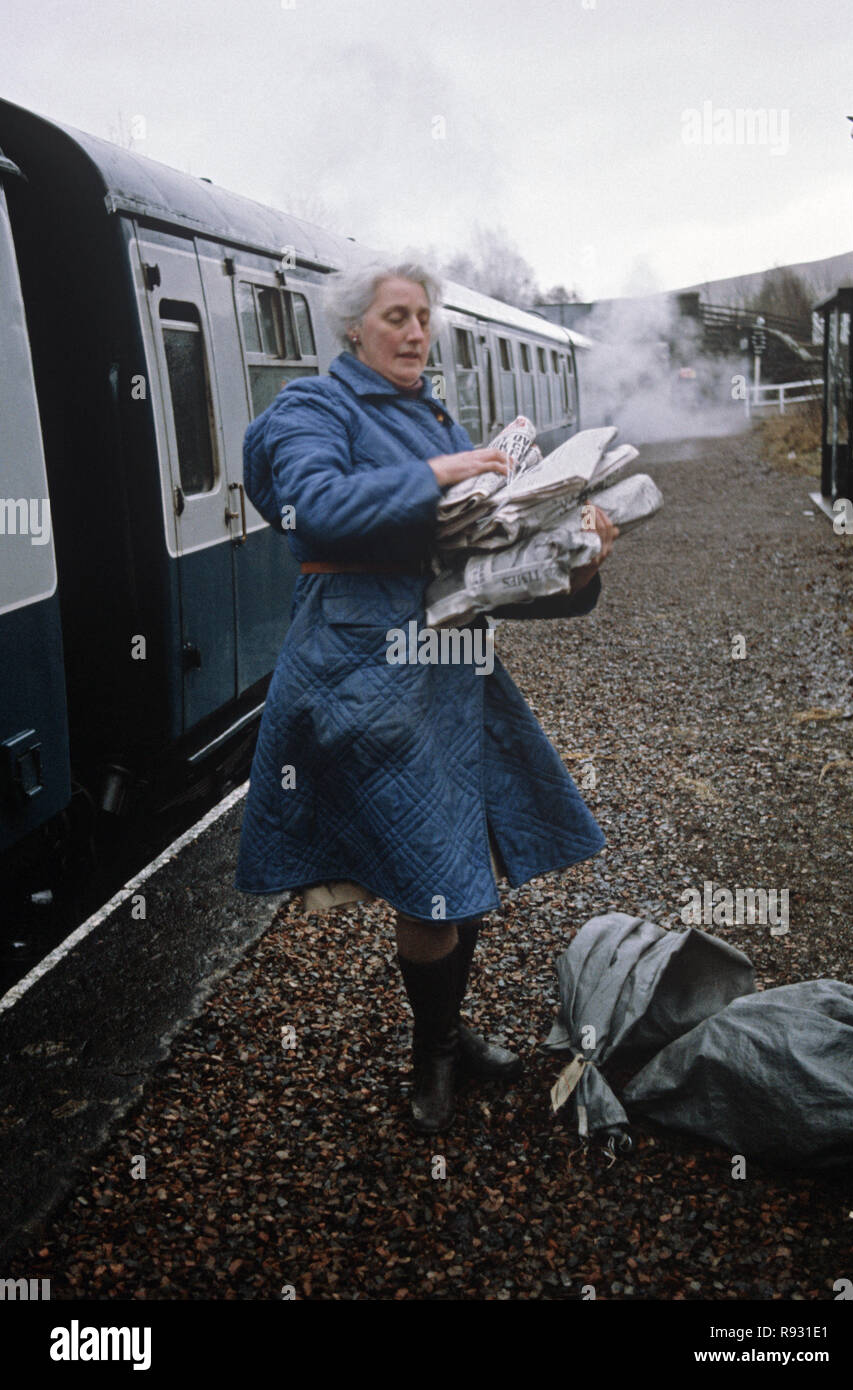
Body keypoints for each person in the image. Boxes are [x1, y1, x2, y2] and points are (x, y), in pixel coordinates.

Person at [235, 256, 618, 1135]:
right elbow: (316, 508)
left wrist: (573, 558)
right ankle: (435, 1053)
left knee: (455, 856)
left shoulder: (424, 410)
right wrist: (445, 473)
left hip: (446, 654)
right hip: (361, 661)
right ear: (352, 330)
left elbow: (471, 561)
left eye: (423, 317)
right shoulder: (311, 408)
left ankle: (444, 1036)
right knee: (429, 866)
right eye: (397, 317)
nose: (416, 333)